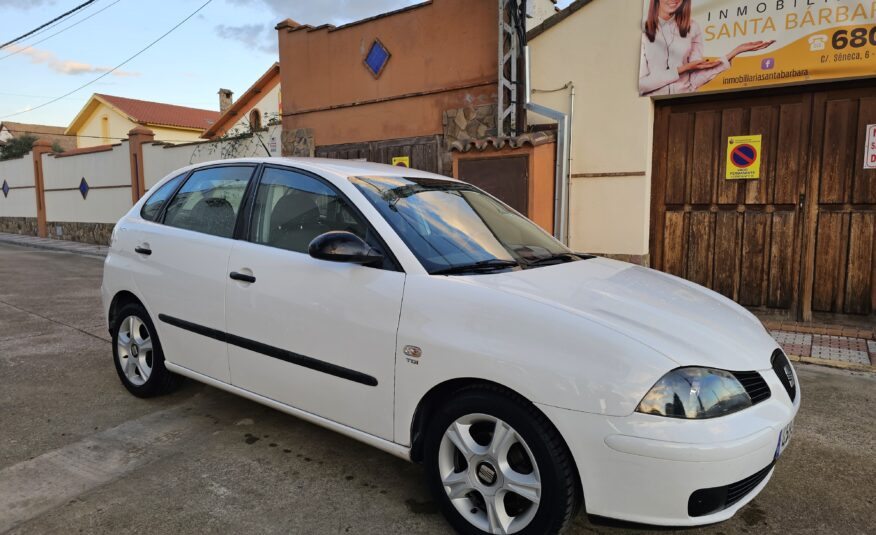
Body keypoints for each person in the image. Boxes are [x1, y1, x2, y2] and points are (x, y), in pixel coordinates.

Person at [639, 0, 774, 96]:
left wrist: (734, 52)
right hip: (653, 106)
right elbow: (642, 85)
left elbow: (694, 80)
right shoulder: (642, 31)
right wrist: (683, 69)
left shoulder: (692, 27)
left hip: (687, 102)